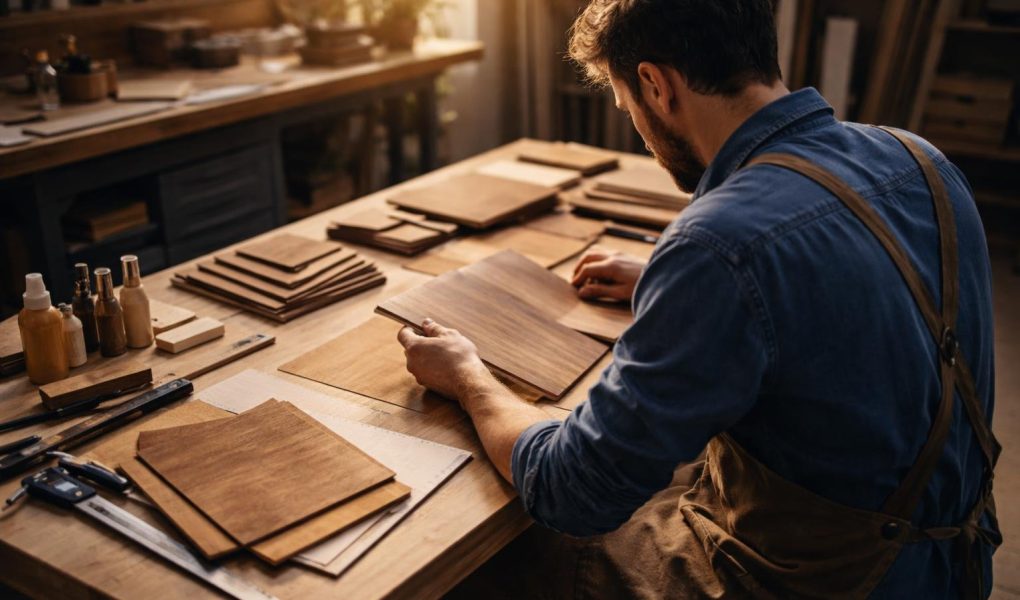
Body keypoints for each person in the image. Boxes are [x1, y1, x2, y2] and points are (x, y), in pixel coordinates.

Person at [396, 0, 1001, 597]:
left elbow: (573, 489)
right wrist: (682, 287)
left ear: (657, 87)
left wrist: (469, 377)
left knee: (492, 547)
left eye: (626, 103)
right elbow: (850, 290)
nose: (638, 127)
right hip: (953, 563)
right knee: (677, 468)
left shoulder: (718, 246)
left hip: (824, 583)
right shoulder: (920, 159)